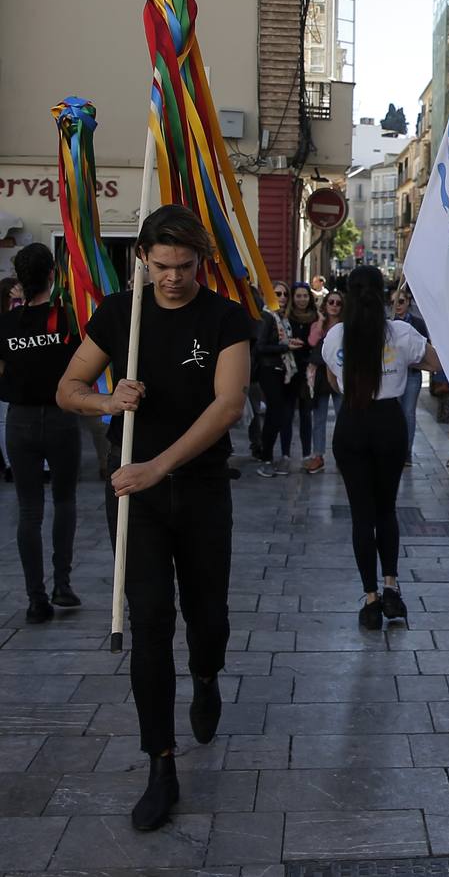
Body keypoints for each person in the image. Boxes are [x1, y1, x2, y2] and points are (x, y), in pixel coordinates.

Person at [56, 204, 253, 831]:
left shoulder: (225, 318)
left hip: (197, 489)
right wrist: (109, 401)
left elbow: (228, 407)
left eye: (185, 266)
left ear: (202, 262)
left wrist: (157, 466)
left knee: (208, 615)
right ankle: (160, 764)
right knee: (149, 624)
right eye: (161, 265)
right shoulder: (120, 313)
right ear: (143, 258)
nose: (172, 278)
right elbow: (68, 389)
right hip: (133, 496)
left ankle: (206, 673)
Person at [321, 267, 441, 628]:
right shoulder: (401, 333)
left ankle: (369, 598)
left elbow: (333, 378)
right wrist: (404, 363)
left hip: (353, 422)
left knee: (361, 514)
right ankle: (391, 587)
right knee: (386, 509)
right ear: (383, 293)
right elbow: (434, 362)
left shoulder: (336, 336)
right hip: (389, 423)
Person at [0, 244, 83, 623]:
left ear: (19, 279)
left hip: (20, 422)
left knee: (29, 510)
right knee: (65, 501)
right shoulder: (67, 318)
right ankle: (61, 584)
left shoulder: (6, 324)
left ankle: (36, 599)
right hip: (62, 417)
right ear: (53, 274)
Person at [253, 282, 296, 477]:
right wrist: (285, 347)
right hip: (269, 369)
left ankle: (268, 455)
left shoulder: (282, 318)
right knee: (274, 414)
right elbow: (260, 347)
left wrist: (287, 345)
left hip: (281, 369)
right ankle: (265, 457)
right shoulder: (267, 316)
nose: (282, 297)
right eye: (277, 293)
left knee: (278, 414)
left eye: (285, 294)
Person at [305, 289, 345, 474]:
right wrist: (321, 321)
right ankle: (318, 455)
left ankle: (342, 455)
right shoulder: (318, 324)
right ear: (325, 304)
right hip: (321, 374)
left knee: (342, 417)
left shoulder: (346, 325)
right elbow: (312, 342)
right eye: (331, 302)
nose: (334, 306)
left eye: (338, 303)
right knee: (319, 417)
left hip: (340, 373)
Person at [390, 285, 428, 467]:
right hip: (392, 375)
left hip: (412, 374)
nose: (397, 305)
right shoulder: (387, 323)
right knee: (392, 412)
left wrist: (408, 359)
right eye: (393, 302)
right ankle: (393, 448)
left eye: (401, 301)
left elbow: (425, 350)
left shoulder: (418, 323)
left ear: (408, 303)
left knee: (408, 413)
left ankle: (407, 452)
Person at [283, 282, 319, 472]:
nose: (302, 299)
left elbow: (316, 343)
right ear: (293, 298)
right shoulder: (286, 318)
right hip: (290, 369)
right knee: (287, 412)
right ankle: (285, 453)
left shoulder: (316, 318)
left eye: (305, 296)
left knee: (306, 413)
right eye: (298, 296)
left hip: (307, 370)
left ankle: (306, 453)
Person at [0, 275, 20, 483]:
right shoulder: (10, 320)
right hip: (9, 379)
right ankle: (10, 465)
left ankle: (9, 465)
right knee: (4, 421)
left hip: (10, 378)